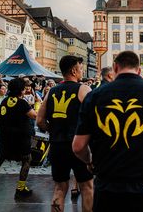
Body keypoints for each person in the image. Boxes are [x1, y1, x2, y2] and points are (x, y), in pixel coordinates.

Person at [72, 51, 143, 212]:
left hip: (109, 186)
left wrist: (89, 161)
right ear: (139, 70)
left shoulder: (94, 96)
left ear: (115, 67)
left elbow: (78, 146)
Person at [37, 55, 93, 212]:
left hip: (57, 144)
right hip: (78, 145)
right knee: (87, 186)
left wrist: (53, 129)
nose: (82, 72)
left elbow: (40, 121)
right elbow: (94, 116)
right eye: (81, 69)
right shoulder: (83, 89)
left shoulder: (52, 91)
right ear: (74, 70)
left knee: (60, 187)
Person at [0, 78, 37, 198]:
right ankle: (20, 188)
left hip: (5, 137)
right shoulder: (22, 102)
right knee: (27, 159)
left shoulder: (5, 101)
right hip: (20, 138)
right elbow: (34, 115)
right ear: (21, 90)